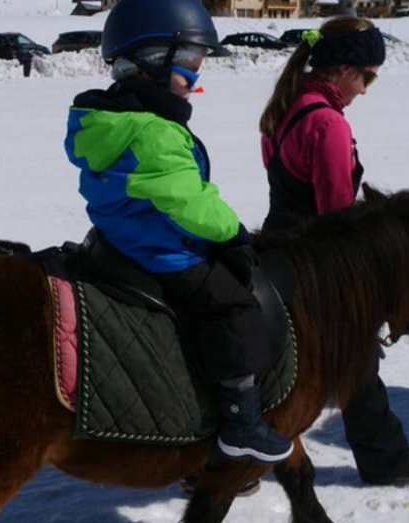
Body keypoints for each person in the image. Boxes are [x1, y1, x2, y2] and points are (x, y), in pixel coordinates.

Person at [65, 0, 292, 464]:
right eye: (189, 65)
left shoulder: (108, 120)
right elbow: (188, 201)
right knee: (234, 304)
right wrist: (232, 234)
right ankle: (241, 422)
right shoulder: (154, 133)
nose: (194, 79)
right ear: (152, 62)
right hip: (162, 248)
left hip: (122, 234)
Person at [258, 16, 409, 484]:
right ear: (343, 70)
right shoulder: (327, 124)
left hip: (276, 247)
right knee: (356, 357)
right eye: (368, 76)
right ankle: (387, 460)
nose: (366, 88)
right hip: (316, 260)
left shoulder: (284, 109)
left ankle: (241, 458)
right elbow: (337, 214)